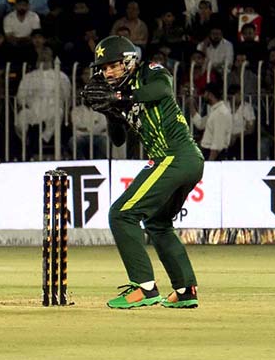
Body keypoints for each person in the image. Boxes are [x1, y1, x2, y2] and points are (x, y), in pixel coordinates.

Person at [82, 35, 203, 309]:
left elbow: (162, 90)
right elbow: (118, 140)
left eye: (113, 65)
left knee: (121, 214)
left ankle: (145, 287)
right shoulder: (120, 94)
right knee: (158, 224)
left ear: (129, 61)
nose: (107, 72)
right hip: (182, 161)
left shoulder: (150, 72)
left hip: (174, 157)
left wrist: (118, 96)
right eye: (103, 68)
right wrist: (110, 111)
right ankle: (185, 290)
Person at [189, 82, 232, 161]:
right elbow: (200, 124)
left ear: (210, 95)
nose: (203, 96)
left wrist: (210, 162)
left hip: (214, 155)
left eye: (205, 93)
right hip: (209, 152)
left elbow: (217, 142)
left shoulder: (220, 113)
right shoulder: (215, 111)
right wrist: (191, 106)